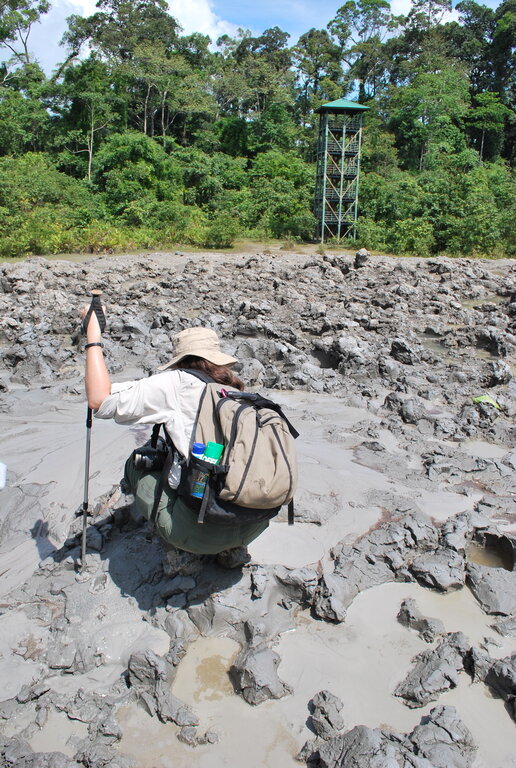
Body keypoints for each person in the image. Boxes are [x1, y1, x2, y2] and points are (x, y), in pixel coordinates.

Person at [82, 307, 270, 569]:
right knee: (212, 466)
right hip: (255, 523)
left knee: (135, 466)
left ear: (181, 359)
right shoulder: (235, 392)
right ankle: (233, 549)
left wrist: (93, 335)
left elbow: (98, 400)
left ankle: (181, 552)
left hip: (199, 535)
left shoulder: (176, 383)